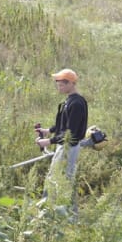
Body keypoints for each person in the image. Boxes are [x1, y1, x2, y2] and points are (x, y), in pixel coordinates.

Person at [35, 68, 88, 214]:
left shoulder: (76, 104)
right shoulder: (69, 101)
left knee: (63, 180)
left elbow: (69, 133)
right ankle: (48, 210)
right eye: (58, 83)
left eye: (62, 84)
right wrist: (49, 131)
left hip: (68, 148)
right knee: (54, 178)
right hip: (63, 146)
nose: (59, 86)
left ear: (71, 83)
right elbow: (63, 124)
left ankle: (70, 215)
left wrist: (48, 141)